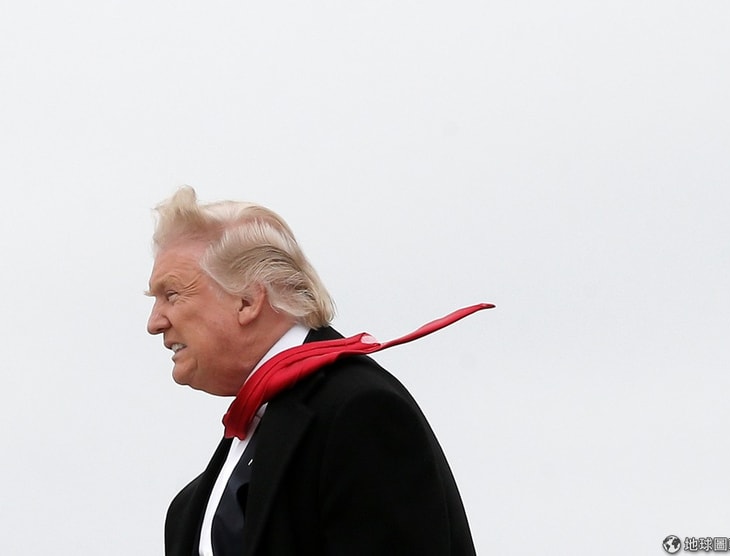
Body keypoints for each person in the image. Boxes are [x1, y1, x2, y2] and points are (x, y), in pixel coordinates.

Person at [146, 186, 480, 556]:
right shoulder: (191, 506)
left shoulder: (359, 413)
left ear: (247, 300)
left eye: (171, 295)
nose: (154, 323)